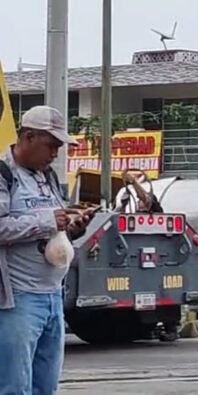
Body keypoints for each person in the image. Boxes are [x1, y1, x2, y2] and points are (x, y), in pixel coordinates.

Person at [0, 105, 92, 395]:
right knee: (15, 386)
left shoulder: (47, 176)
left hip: (52, 295)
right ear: (28, 137)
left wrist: (72, 227)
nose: (55, 153)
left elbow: (54, 226)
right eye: (50, 145)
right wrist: (47, 221)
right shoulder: (4, 174)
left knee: (46, 386)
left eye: (58, 147)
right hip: (18, 298)